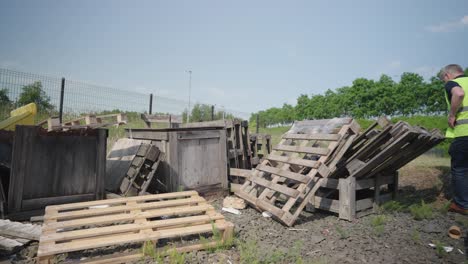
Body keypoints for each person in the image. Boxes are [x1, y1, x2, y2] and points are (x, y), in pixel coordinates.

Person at [439, 64, 468, 215]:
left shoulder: (453, 83)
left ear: (447, 76)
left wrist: (451, 114)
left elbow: (459, 93)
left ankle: (462, 205)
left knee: (461, 169)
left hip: (464, 133)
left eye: (443, 80)